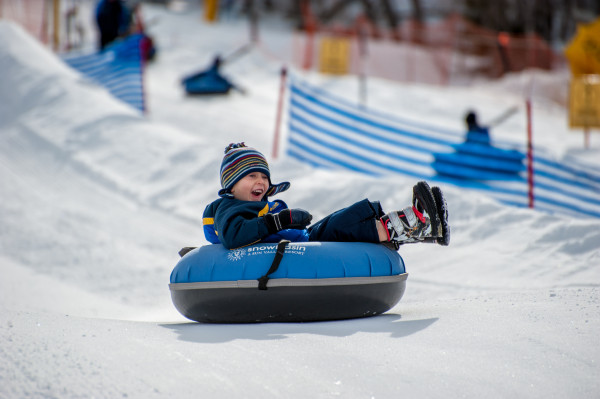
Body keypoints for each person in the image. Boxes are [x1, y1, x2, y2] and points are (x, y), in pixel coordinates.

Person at [201, 143, 450, 251]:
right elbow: (234, 235)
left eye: (264, 177)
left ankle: (422, 226)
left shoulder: (263, 205)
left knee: (345, 218)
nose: (260, 182)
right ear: (231, 186)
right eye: (251, 176)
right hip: (302, 247)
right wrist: (280, 220)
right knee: (343, 226)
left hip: (305, 241)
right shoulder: (229, 208)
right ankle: (415, 223)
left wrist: (284, 219)